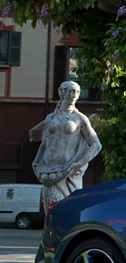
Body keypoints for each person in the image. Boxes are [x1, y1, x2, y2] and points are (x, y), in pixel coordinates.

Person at [32, 81, 102, 210]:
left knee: (68, 211)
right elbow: (44, 144)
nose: (74, 95)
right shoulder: (50, 118)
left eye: (77, 92)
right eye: (71, 91)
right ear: (61, 92)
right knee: (50, 212)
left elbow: (96, 145)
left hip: (68, 171)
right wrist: (36, 162)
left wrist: (78, 164)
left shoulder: (80, 119)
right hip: (47, 170)